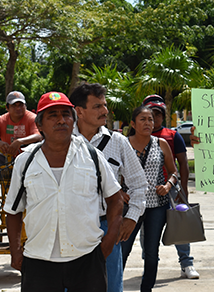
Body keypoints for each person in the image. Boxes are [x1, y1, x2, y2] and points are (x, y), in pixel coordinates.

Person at [3, 91, 123, 291]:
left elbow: (116, 200)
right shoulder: (25, 161)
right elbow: (13, 210)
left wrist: (108, 243)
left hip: (87, 259)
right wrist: (16, 252)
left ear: (74, 121)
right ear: (39, 125)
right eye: (53, 116)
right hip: (38, 261)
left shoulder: (93, 156)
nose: (61, 120)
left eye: (66, 114)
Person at [70, 83, 148, 292]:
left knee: (111, 287)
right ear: (79, 111)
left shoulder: (118, 142)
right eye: (96, 106)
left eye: (104, 105)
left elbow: (139, 184)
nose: (104, 111)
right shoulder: (62, 142)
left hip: (108, 228)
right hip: (69, 229)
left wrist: (131, 217)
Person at [141, 94, 199, 279]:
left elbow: (182, 163)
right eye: (150, 114)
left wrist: (183, 191)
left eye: (158, 114)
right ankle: (150, 265)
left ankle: (187, 264)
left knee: (180, 225)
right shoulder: (136, 137)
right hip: (147, 192)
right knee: (147, 231)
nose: (154, 118)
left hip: (172, 189)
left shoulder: (172, 136)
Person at [122, 106, 178, 292]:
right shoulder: (123, 144)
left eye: (150, 119)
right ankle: (114, 286)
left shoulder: (161, 143)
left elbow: (173, 172)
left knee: (151, 252)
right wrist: (120, 193)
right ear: (133, 123)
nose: (148, 123)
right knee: (122, 250)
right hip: (130, 207)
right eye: (143, 119)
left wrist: (168, 185)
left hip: (156, 207)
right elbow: (111, 175)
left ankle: (147, 289)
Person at [0, 91, 42, 159]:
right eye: (14, 105)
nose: (18, 108)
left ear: (25, 106)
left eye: (20, 105)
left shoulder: (32, 118)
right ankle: (5, 170)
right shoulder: (1, 120)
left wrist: (20, 141)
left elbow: (38, 136)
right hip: (8, 158)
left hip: (29, 158)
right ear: (7, 108)